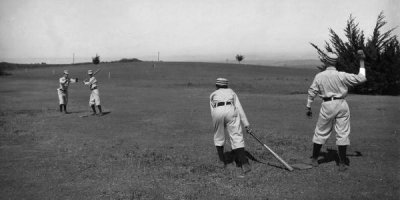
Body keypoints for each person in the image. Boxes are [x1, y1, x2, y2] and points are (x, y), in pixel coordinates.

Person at [306, 50, 367, 171]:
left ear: (326, 61)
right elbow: (362, 78)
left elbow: (312, 92)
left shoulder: (319, 76)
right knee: (343, 133)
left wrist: (308, 106)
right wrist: (361, 61)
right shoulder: (342, 75)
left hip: (327, 105)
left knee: (321, 131)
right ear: (335, 63)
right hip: (342, 104)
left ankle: (314, 159)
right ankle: (342, 163)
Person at [209, 78, 252, 177]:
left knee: (218, 136)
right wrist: (246, 124)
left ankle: (222, 162)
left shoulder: (212, 94)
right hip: (230, 110)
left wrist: (218, 122)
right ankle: (244, 163)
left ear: (216, 86)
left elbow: (212, 111)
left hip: (217, 111)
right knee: (236, 136)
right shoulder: (232, 92)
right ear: (226, 85)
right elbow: (239, 108)